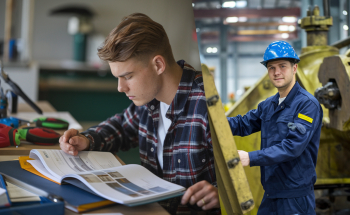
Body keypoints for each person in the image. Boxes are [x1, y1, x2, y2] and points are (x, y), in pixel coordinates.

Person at [59, 13, 219, 214]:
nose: (120, 87)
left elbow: (252, 171)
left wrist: (221, 194)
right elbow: (122, 127)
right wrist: (86, 139)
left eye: (127, 76)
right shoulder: (148, 100)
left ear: (158, 65)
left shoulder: (210, 105)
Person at [227, 41, 323, 214]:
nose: (277, 72)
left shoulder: (308, 105)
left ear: (294, 68)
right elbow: (242, 124)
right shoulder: (268, 105)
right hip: (271, 193)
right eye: (271, 67)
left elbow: (292, 147)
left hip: (295, 198)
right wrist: (212, 121)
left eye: (282, 66)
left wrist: (249, 157)